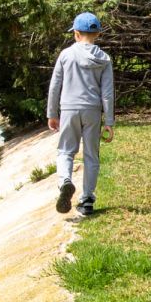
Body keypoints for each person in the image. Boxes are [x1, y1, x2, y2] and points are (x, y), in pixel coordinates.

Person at [47, 12, 114, 216]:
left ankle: (65, 181)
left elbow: (55, 85)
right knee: (91, 155)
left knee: (66, 151)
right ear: (97, 34)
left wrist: (52, 112)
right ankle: (86, 200)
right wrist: (109, 121)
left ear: (76, 33)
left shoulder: (66, 55)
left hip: (68, 108)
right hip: (92, 110)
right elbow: (107, 92)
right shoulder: (104, 59)